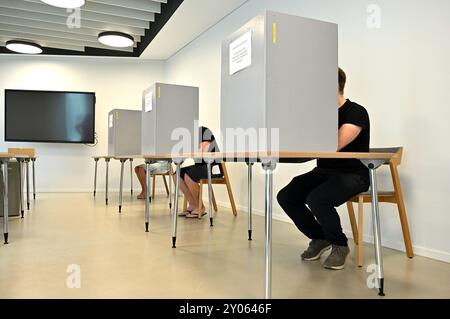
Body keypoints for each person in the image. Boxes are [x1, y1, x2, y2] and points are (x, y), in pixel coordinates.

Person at [277, 68, 370, 270]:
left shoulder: (356, 111)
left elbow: (334, 144)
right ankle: (319, 238)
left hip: (354, 173)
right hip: (324, 172)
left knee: (318, 198)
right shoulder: (320, 116)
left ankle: (339, 244)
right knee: (286, 196)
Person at [178, 126, 223, 218]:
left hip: (213, 167)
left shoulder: (204, 131)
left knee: (189, 175)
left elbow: (202, 151)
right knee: (178, 174)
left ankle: (200, 207)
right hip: (200, 167)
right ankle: (193, 204)